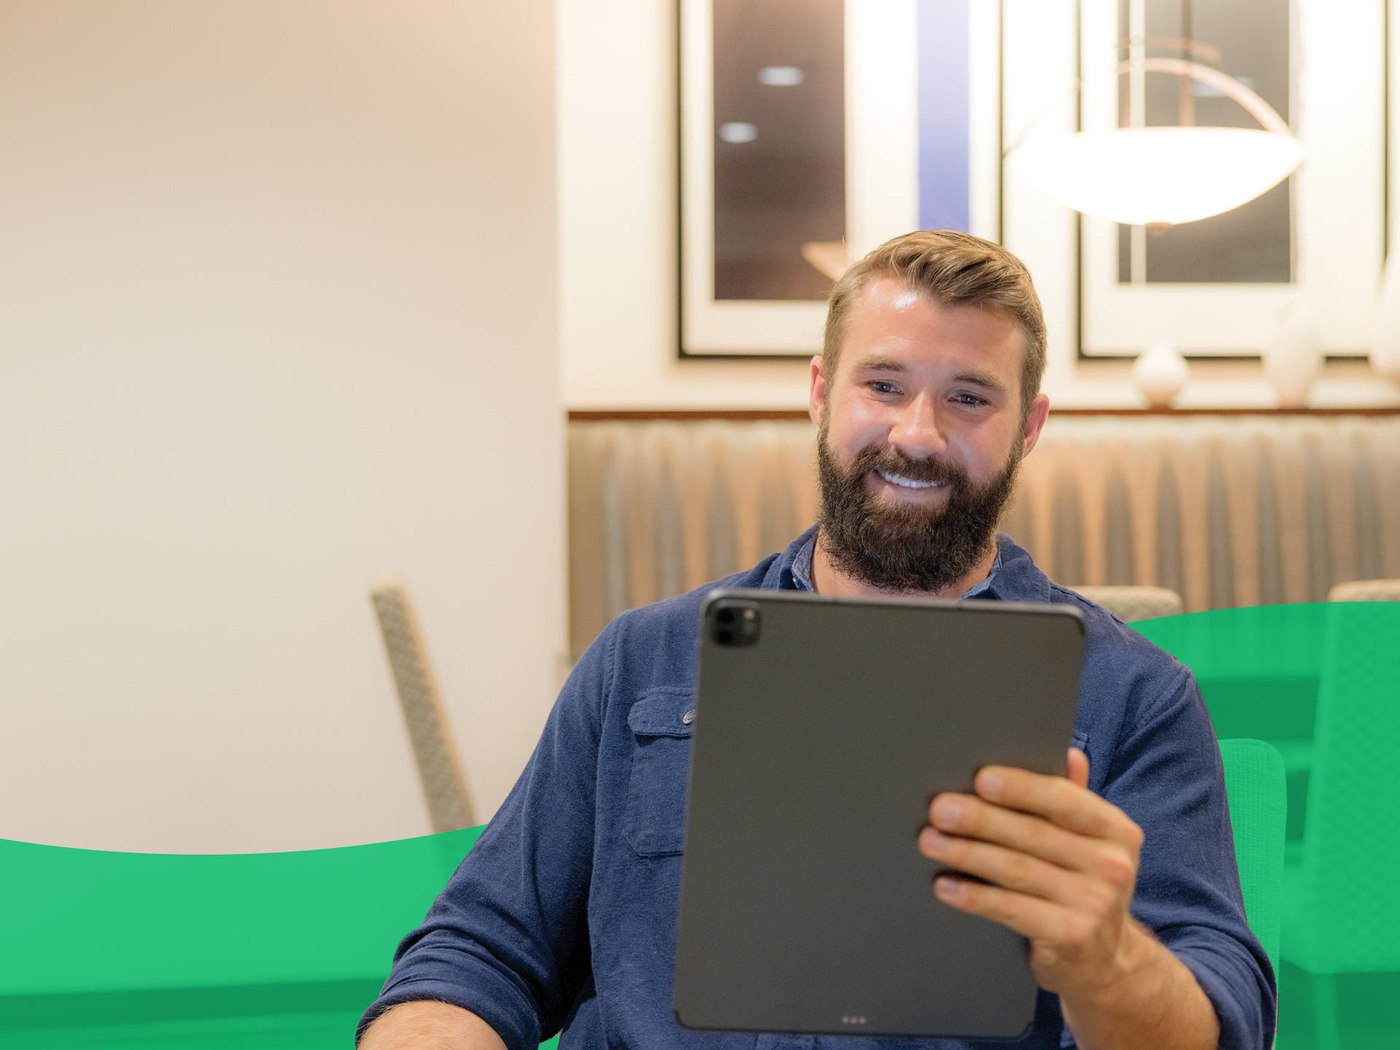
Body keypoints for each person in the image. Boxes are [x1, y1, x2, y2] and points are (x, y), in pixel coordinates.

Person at [357, 230, 1276, 1050]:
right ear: (820, 393)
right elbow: (479, 952)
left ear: (1029, 428)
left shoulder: (1135, 698)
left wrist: (1107, 960)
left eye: (968, 398)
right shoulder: (643, 659)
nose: (916, 435)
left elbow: (1219, 1023)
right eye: (884, 385)